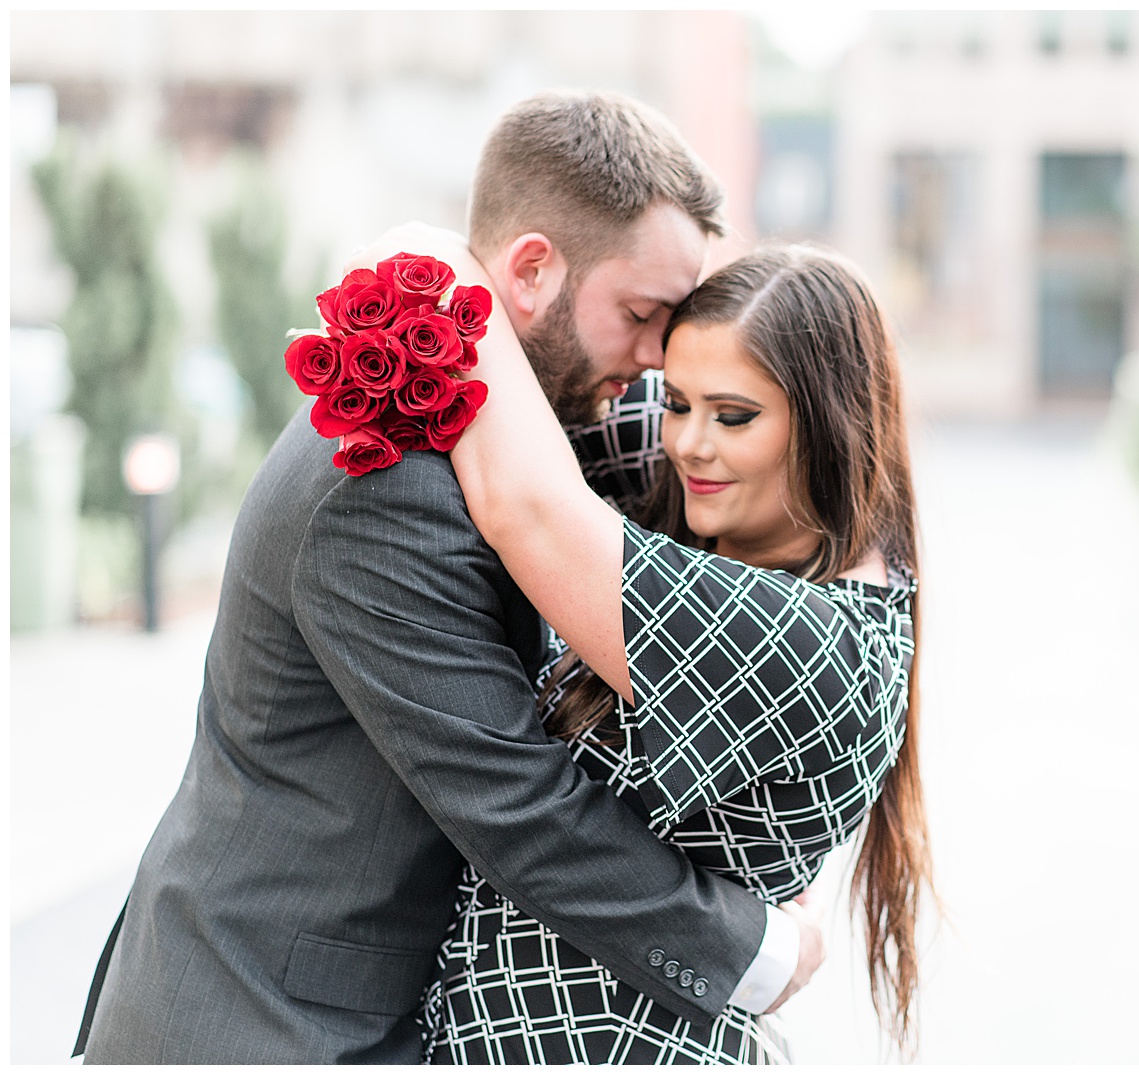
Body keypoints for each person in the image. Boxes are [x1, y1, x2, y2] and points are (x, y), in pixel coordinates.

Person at [75, 92, 823, 1065]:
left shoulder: (506, 429)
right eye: (640, 315)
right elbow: (515, 801)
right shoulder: (383, 480)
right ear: (530, 269)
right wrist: (756, 950)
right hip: (258, 1023)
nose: (652, 360)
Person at [373, 234, 933, 1063]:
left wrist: (433, 259)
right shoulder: (759, 510)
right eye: (677, 402)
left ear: (828, 422)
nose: (689, 443)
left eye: (733, 416)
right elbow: (570, 386)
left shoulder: (815, 643)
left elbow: (525, 502)